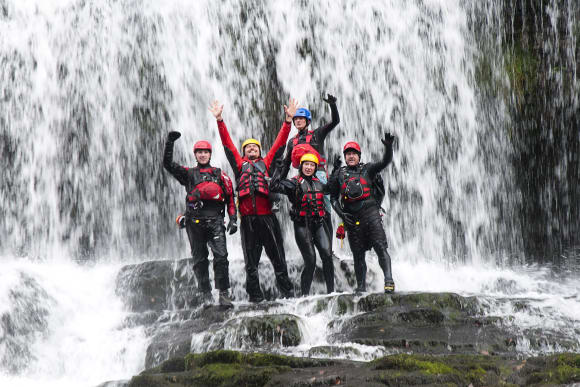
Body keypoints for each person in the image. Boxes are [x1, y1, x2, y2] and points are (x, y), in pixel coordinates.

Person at [209, 99, 298, 303]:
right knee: (251, 262)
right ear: (244, 152)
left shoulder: (266, 164)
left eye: (255, 148)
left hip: (268, 218)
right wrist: (220, 120)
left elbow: (279, 145)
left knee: (278, 258)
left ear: (259, 151)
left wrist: (288, 122)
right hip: (248, 220)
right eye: (248, 148)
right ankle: (254, 296)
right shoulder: (239, 166)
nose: (251, 150)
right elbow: (228, 145)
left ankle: (288, 293)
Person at [163, 134, 237, 308]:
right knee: (199, 259)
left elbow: (230, 197)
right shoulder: (188, 174)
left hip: (216, 222)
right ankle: (205, 295)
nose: (202, 155)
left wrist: (233, 219)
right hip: (194, 222)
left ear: (210, 154)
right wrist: (169, 143)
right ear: (195, 155)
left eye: (205, 152)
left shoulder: (219, 174)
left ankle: (224, 294)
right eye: (199, 152)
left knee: (221, 257)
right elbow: (168, 165)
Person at [328, 133, 396, 294]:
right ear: (345, 156)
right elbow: (332, 197)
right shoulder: (339, 174)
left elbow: (385, 162)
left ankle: (389, 280)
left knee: (380, 247)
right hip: (351, 219)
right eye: (348, 154)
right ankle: (360, 287)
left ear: (359, 156)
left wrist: (388, 147)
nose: (351, 156)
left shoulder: (368, 169)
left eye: (354, 154)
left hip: (371, 215)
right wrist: (342, 215)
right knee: (358, 255)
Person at [270, 153, 334, 296]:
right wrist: (278, 170)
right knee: (311, 261)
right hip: (302, 225)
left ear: (315, 168)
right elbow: (274, 186)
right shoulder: (294, 183)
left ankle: (332, 294)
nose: (309, 167)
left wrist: (335, 171)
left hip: (318, 224)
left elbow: (331, 189)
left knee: (327, 256)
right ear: (301, 166)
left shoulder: (320, 183)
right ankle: (305, 295)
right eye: (306, 164)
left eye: (312, 165)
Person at [278, 94, 340, 237]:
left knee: (325, 209)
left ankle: (328, 248)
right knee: (303, 208)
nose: (298, 121)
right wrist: (279, 180)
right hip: (301, 176)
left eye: (301, 118)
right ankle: (309, 242)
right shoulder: (291, 142)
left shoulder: (317, 134)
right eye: (296, 119)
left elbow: (335, 121)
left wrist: (333, 105)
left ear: (307, 121)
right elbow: (287, 163)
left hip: (318, 174)